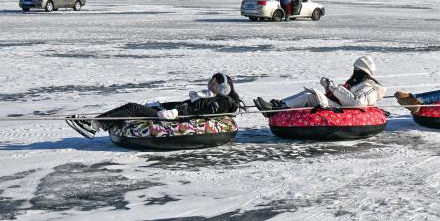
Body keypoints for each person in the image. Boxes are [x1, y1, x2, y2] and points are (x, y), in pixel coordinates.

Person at [65, 73, 242, 138]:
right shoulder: (212, 98)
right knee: (132, 108)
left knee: (133, 108)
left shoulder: (223, 101)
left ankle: (94, 125)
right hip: (171, 113)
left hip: (175, 119)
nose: (209, 85)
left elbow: (202, 112)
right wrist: (165, 106)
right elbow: (193, 106)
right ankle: (96, 123)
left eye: (213, 83)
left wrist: (177, 111)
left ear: (223, 87)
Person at [252, 56, 385, 117]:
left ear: (363, 71)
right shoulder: (356, 83)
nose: (354, 72)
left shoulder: (369, 88)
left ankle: (275, 108)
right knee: (309, 93)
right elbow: (342, 97)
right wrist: (328, 88)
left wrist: (334, 88)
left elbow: (357, 103)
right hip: (341, 107)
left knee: (310, 97)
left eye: (357, 69)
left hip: (348, 111)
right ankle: (276, 105)